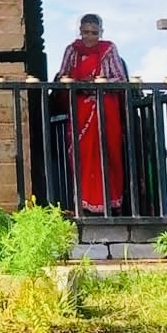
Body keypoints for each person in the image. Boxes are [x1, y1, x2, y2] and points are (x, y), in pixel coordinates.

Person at [56, 13, 128, 214]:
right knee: (82, 155)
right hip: (79, 108)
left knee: (107, 154)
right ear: (80, 31)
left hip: (105, 110)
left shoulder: (108, 50)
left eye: (94, 33)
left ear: (101, 32)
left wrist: (98, 82)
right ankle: (84, 204)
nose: (89, 37)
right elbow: (62, 77)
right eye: (86, 32)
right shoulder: (72, 51)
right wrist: (80, 83)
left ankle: (110, 204)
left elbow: (120, 79)